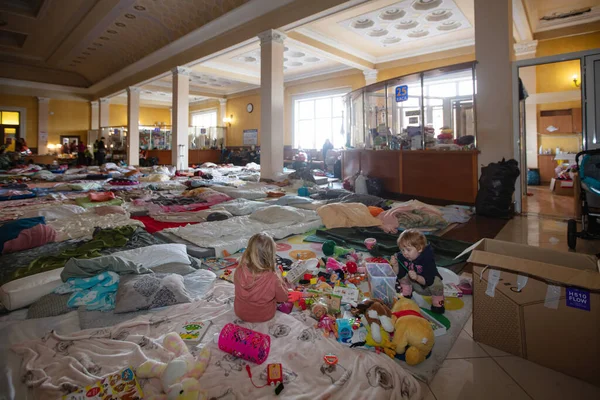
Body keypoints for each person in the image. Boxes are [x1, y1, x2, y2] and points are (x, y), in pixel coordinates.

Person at [234, 233, 288, 322]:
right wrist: (282, 281)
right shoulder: (273, 277)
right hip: (264, 315)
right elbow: (283, 298)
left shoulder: (239, 269)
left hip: (240, 312)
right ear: (271, 255)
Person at [391, 229, 445, 314]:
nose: (405, 253)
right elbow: (398, 275)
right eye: (402, 250)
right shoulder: (402, 256)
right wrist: (395, 265)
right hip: (414, 284)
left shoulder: (427, 260)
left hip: (427, 285)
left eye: (408, 250)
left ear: (419, 249)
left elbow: (429, 280)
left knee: (437, 283)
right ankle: (406, 294)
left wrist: (417, 277)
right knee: (404, 276)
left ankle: (437, 304)